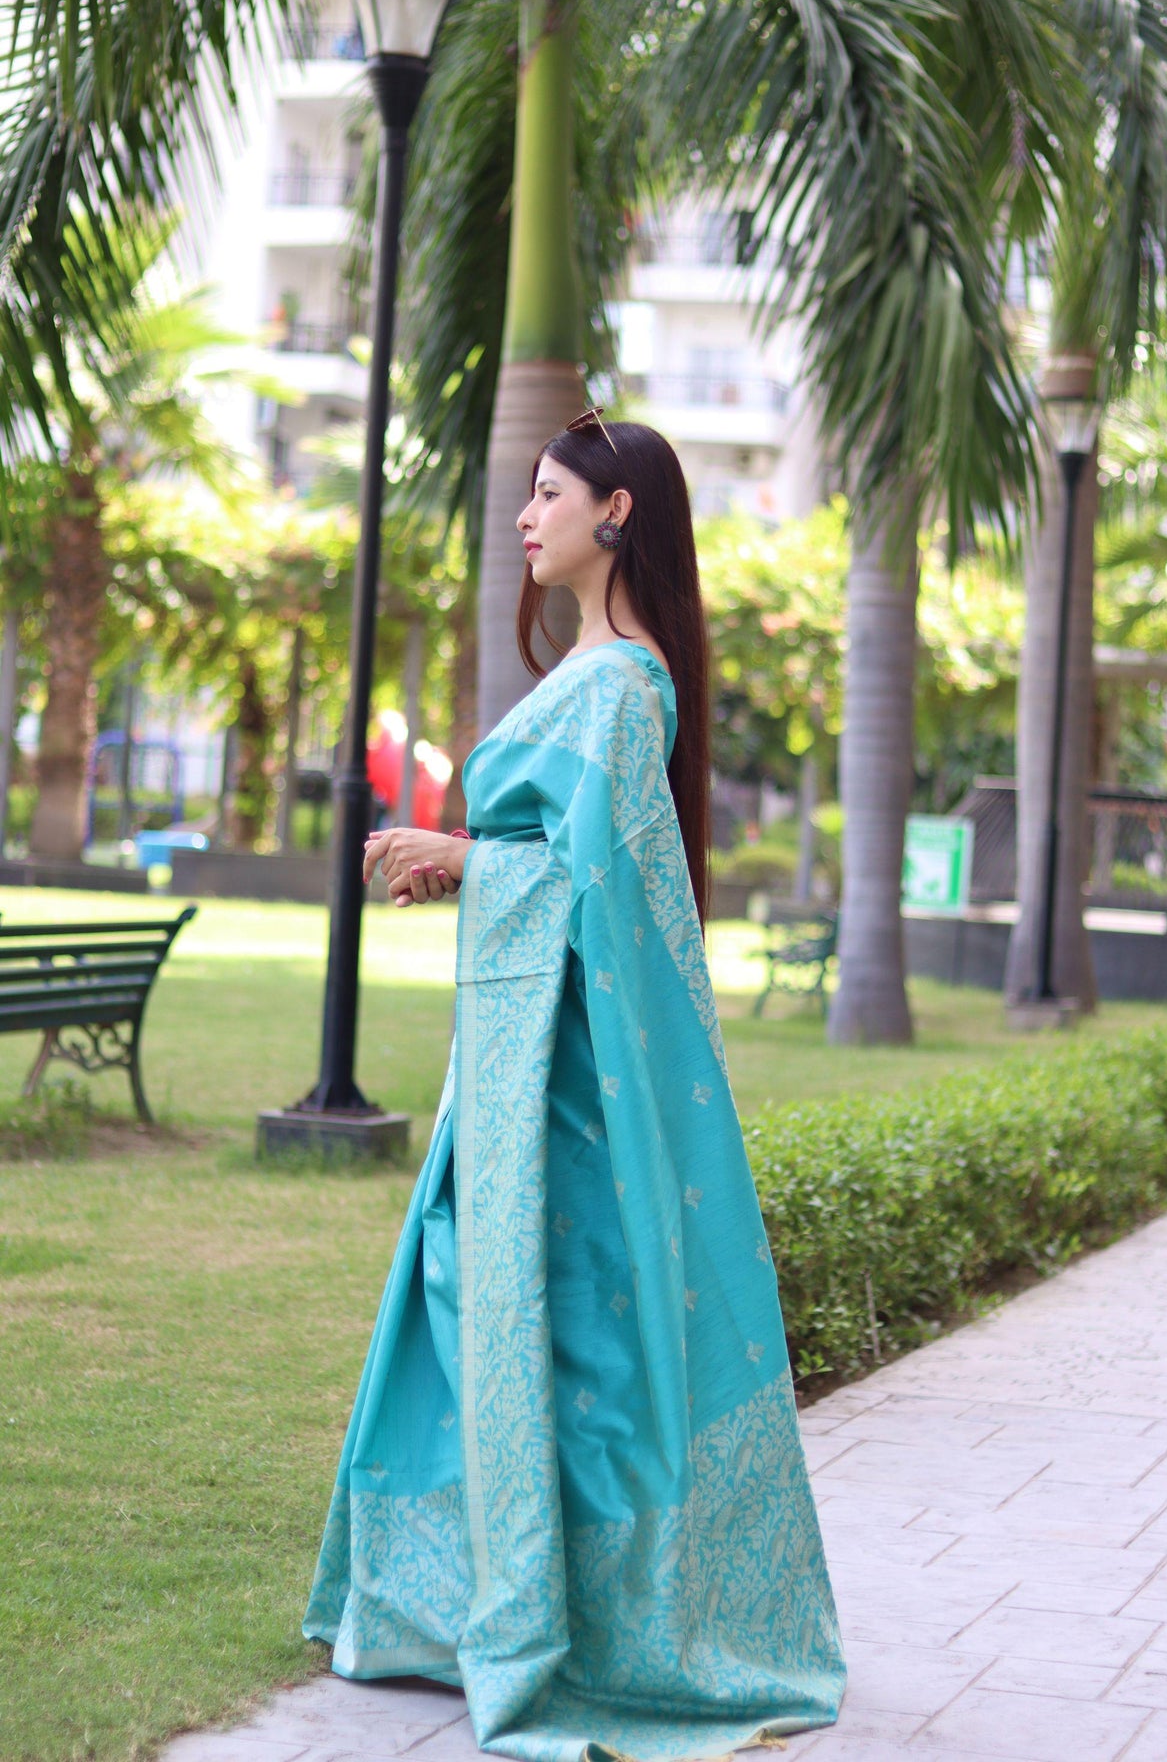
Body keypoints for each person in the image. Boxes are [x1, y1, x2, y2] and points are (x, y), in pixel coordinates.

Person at [303, 415, 845, 1760]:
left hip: (572, 1095)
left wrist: (462, 853)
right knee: (486, 1321)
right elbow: (558, 860)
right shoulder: (603, 678)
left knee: (572, 1348)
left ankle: (571, 1625)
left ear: (617, 514)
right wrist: (469, 858)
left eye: (549, 496)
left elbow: (606, 889)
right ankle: (470, 1603)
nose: (525, 518)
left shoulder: (621, 687)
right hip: (523, 1072)